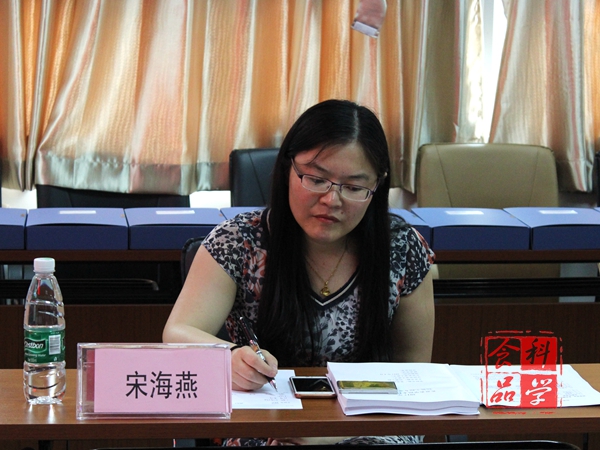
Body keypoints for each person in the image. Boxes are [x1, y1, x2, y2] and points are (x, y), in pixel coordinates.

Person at [163, 99, 435, 446]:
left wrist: (327, 436)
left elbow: (414, 374)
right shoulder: (238, 241)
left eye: (354, 187)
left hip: (370, 421)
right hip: (265, 422)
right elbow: (178, 331)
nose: (332, 200)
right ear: (287, 168)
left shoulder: (402, 247)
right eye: (316, 179)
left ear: (377, 186)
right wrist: (229, 357)